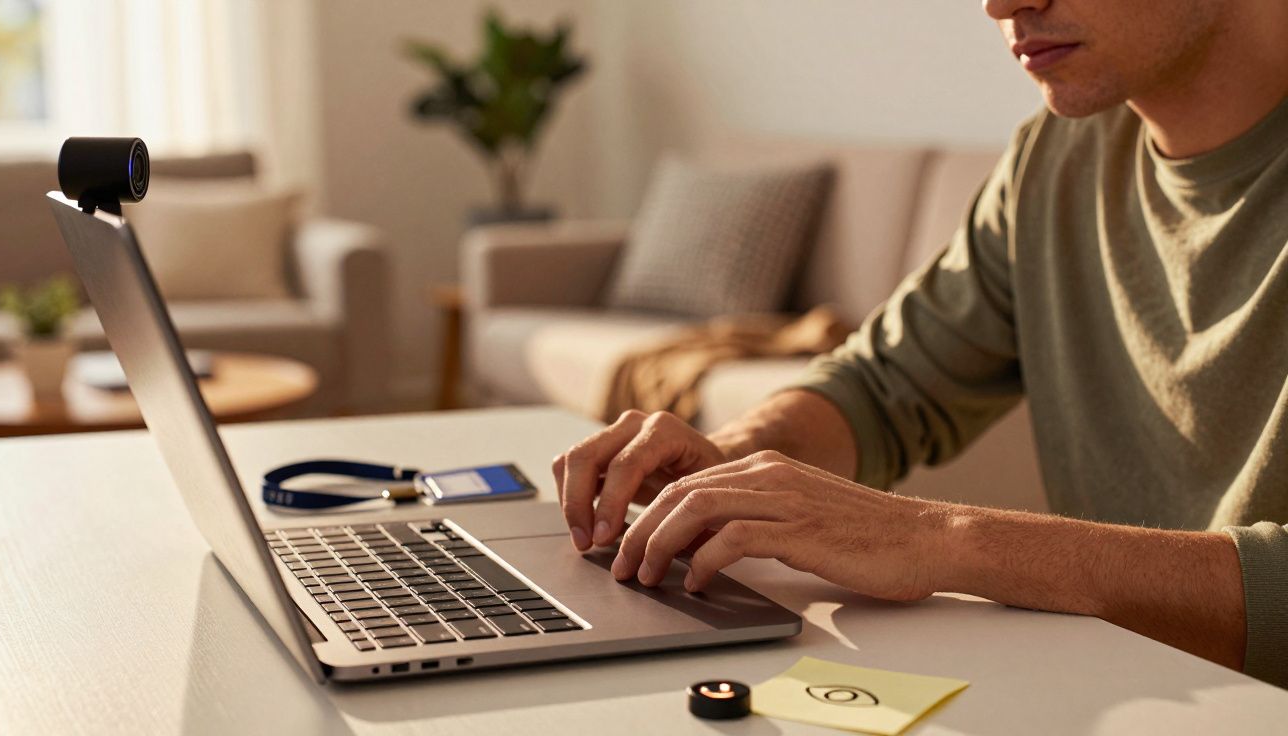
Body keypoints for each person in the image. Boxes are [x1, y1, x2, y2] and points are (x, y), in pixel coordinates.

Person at [551, 0, 1288, 688]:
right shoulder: (1058, 156)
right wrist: (730, 463)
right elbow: (882, 387)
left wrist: (949, 539)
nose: (1000, 5)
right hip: (1127, 687)